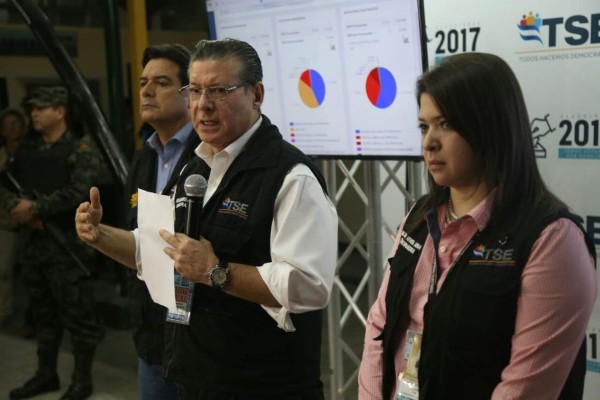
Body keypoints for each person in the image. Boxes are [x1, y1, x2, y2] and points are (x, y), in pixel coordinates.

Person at [75, 38, 338, 399]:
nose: (203, 105)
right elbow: (160, 249)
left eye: (219, 90)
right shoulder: (195, 168)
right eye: (195, 91)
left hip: (264, 386)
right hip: (198, 379)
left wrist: (215, 271)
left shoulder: (291, 177)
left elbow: (309, 286)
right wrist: (100, 235)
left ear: (256, 94)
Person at [358, 52, 597, 400]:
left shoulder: (552, 241)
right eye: (424, 126)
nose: (429, 142)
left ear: (490, 127)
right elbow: (379, 326)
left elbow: (524, 389)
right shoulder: (419, 217)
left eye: (446, 124)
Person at [0, 86, 105, 400]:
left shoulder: (81, 149)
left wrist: (34, 208)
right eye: (32, 108)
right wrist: (17, 208)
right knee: (43, 318)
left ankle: (82, 381)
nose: (33, 113)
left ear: (59, 111)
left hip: (68, 250)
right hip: (34, 248)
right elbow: (4, 183)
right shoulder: (27, 150)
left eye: (41, 108)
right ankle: (46, 375)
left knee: (79, 320)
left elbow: (79, 192)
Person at [126, 43, 200, 400]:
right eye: (143, 82)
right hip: (153, 332)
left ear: (189, 93)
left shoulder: (210, 153)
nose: (147, 91)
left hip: (201, 332)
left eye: (161, 82)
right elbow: (135, 234)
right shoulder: (144, 157)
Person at [0, 108, 27, 328]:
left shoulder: (32, 153)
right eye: (7, 125)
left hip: (31, 219)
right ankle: (3, 312)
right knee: (3, 271)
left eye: (15, 124)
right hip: (5, 222)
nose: (12, 129)